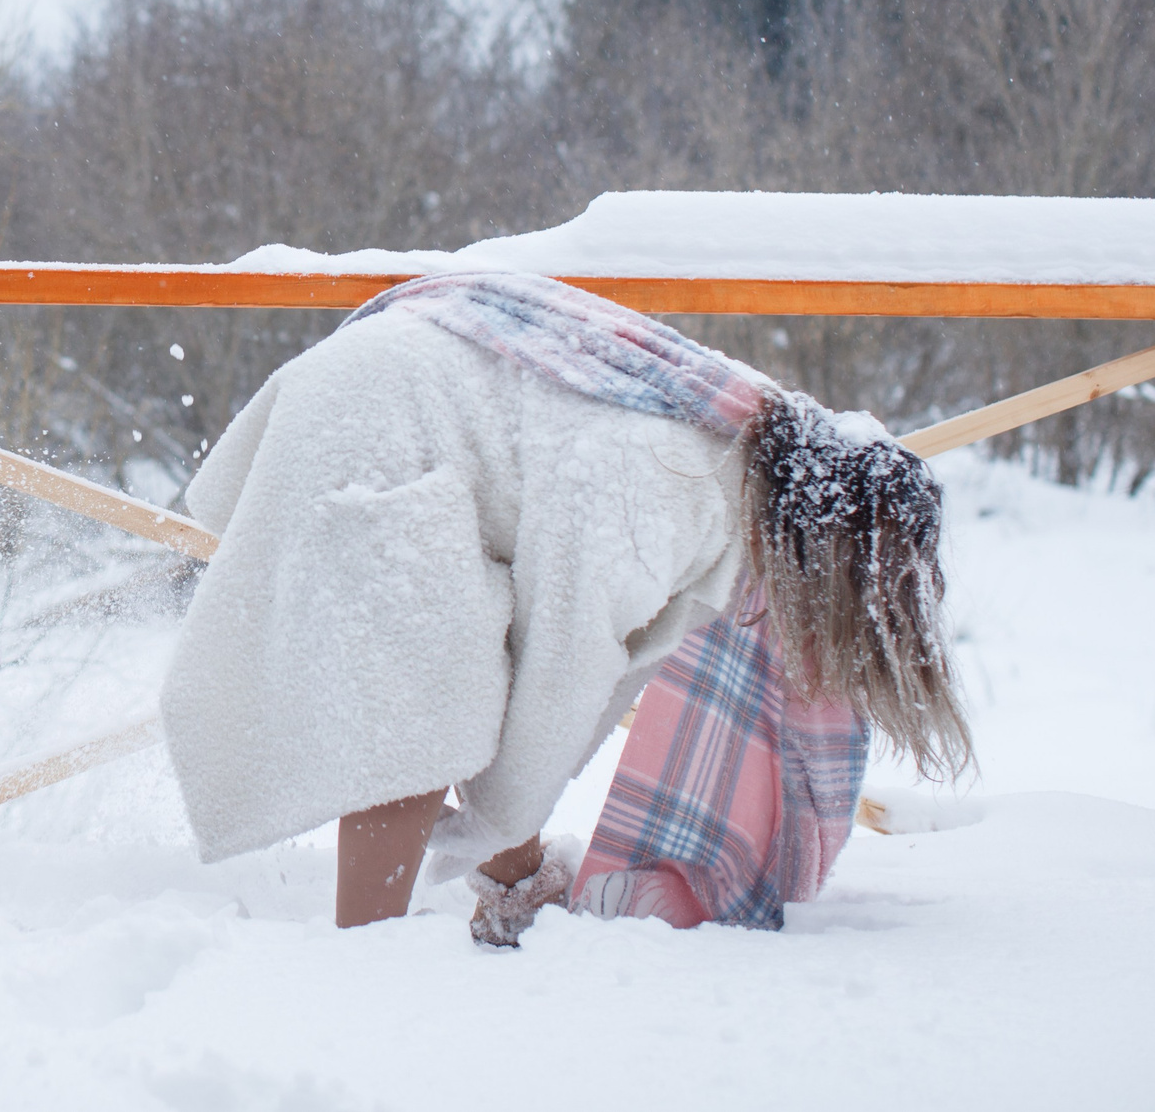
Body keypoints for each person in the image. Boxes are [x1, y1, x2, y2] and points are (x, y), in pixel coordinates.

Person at [158, 271, 969, 944]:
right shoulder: (677, 490)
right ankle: (367, 969)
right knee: (412, 723)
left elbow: (589, 668)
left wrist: (502, 834)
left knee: (460, 689)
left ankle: (512, 898)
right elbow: (563, 674)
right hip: (378, 423)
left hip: (395, 397)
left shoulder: (742, 449)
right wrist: (497, 820)